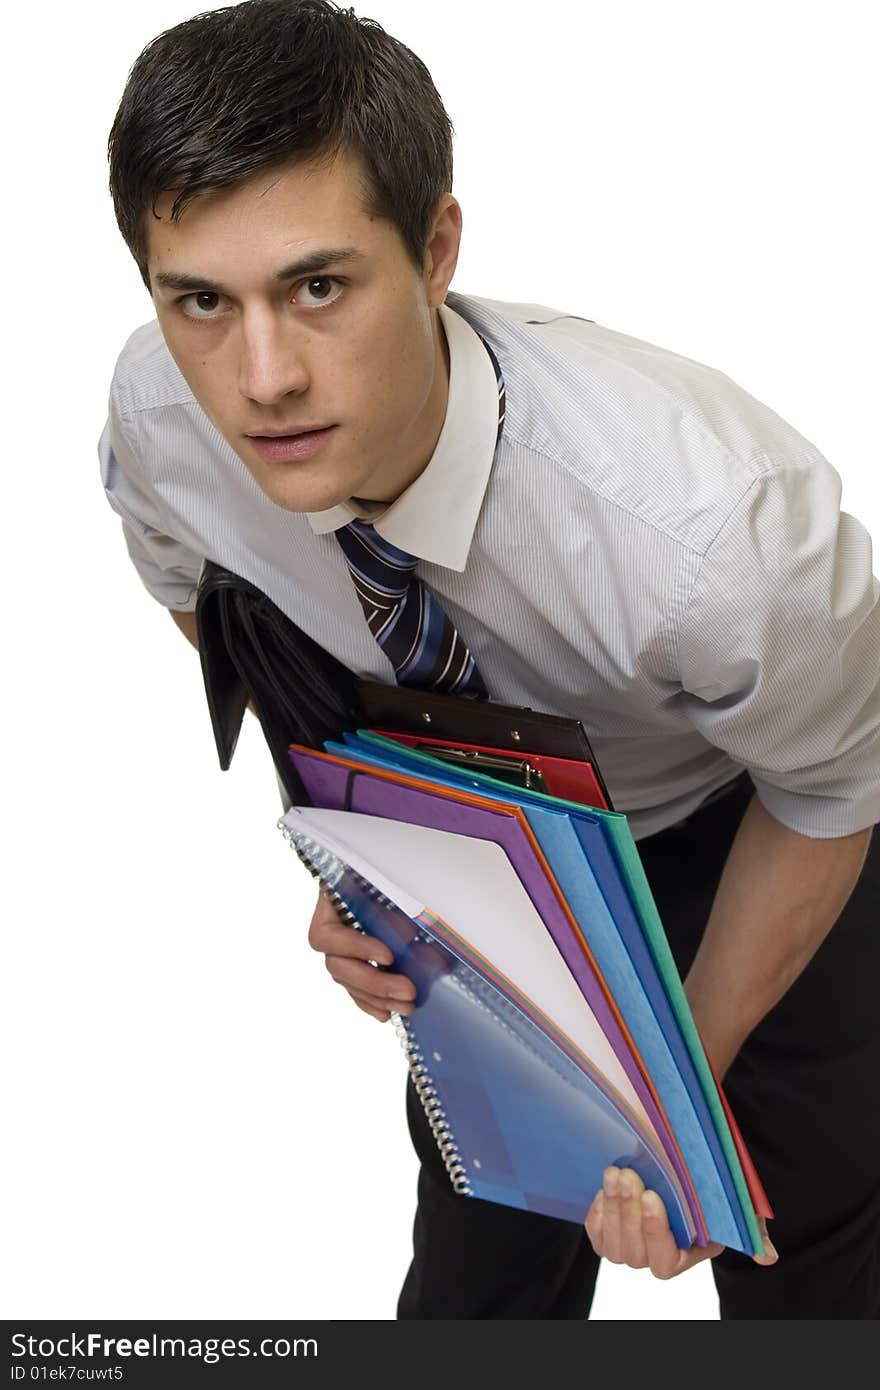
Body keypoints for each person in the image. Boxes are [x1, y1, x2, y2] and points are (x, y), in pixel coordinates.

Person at [98, 0, 880, 1318]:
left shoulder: (709, 528)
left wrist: (672, 1093)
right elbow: (213, 606)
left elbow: (837, 781)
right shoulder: (163, 418)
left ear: (438, 247)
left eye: (319, 285)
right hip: (494, 857)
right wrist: (371, 850)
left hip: (752, 821)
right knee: (473, 1288)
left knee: (815, 1273)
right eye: (201, 302)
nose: (263, 377)